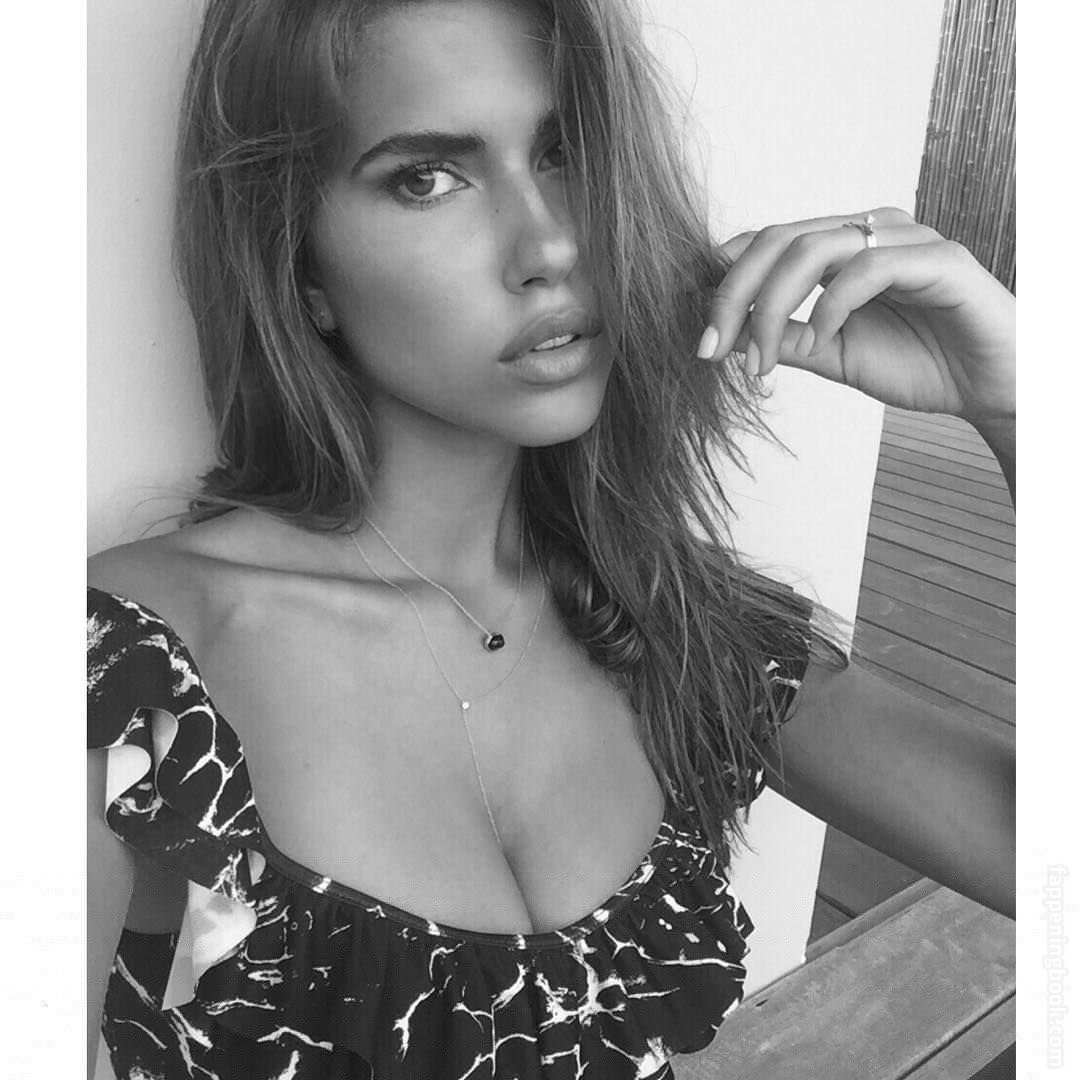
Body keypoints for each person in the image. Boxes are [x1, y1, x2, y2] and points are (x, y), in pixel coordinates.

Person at [86, 0, 1016, 1077]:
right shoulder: (125, 674)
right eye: (428, 177)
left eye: (565, 152)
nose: (551, 247)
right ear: (300, 264)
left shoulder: (677, 628)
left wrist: (1022, 407)